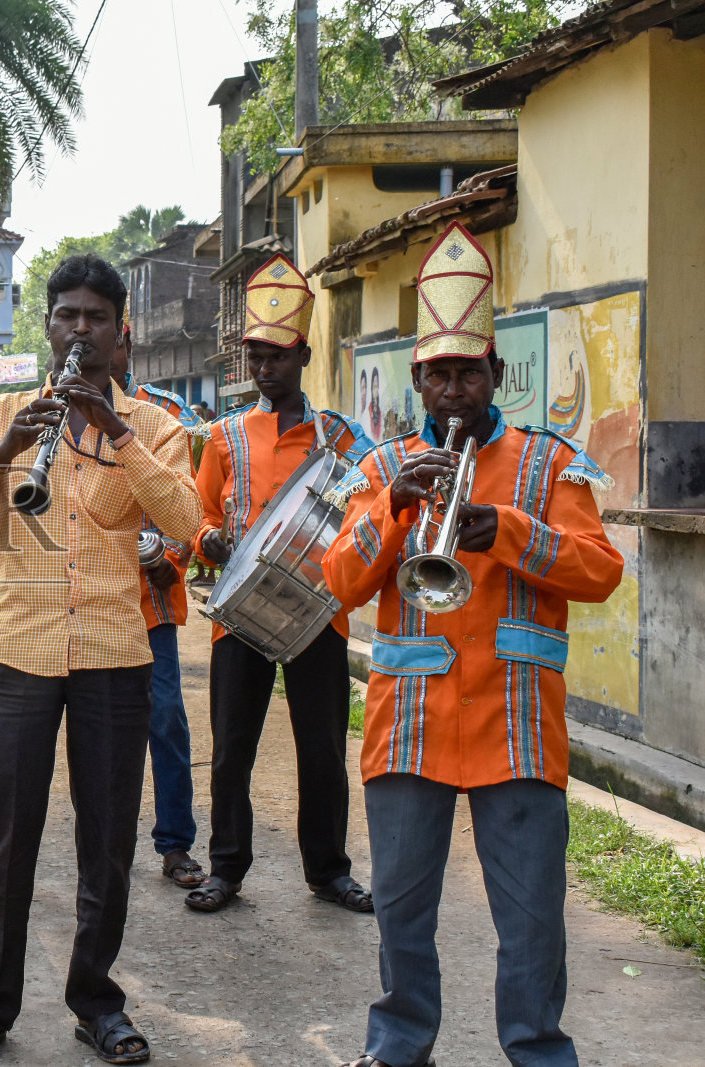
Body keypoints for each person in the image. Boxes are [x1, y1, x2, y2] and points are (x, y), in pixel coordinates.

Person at [324, 222, 623, 1067]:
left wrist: (509, 529)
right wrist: (392, 511)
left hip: (520, 728)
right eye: (439, 375)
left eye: (469, 373)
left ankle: (537, 1049)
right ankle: (399, 1044)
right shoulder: (381, 466)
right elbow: (340, 581)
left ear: (496, 373)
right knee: (401, 914)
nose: (454, 391)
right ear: (417, 379)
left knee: (532, 920)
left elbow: (600, 572)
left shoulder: (547, 463)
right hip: (410, 723)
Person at [0, 254, 202, 1066]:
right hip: (21, 652)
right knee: (7, 838)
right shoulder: (3, 409)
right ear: (47, 327)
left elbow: (185, 519)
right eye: (66, 317)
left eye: (95, 318)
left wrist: (117, 432)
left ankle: (97, 999)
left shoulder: (154, 425)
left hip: (117, 656)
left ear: (121, 333)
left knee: (109, 839)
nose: (80, 331)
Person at [187, 252, 375, 915]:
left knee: (321, 749)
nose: (264, 368)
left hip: (317, 618)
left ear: (303, 355)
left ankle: (328, 870)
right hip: (237, 617)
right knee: (231, 749)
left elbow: (363, 518)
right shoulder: (222, 435)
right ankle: (225, 868)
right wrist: (206, 538)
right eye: (255, 356)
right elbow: (200, 513)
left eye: (277, 356)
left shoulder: (344, 441)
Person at [109, 328, 206, 890]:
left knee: (165, 717)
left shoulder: (166, 414)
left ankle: (174, 844)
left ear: (125, 341)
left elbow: (185, 498)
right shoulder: (60, 411)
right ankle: (103, 844)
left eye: (108, 332)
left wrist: (170, 557)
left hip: (150, 603)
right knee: (95, 727)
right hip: (88, 603)